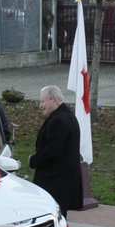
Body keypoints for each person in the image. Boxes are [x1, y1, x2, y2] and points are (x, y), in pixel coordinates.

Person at [27, 85, 81, 216]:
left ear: (54, 100)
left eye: (42, 101)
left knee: (53, 216)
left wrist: (33, 160)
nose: (40, 105)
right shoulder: (63, 116)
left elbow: (51, 152)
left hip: (56, 181)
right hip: (59, 180)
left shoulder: (60, 120)